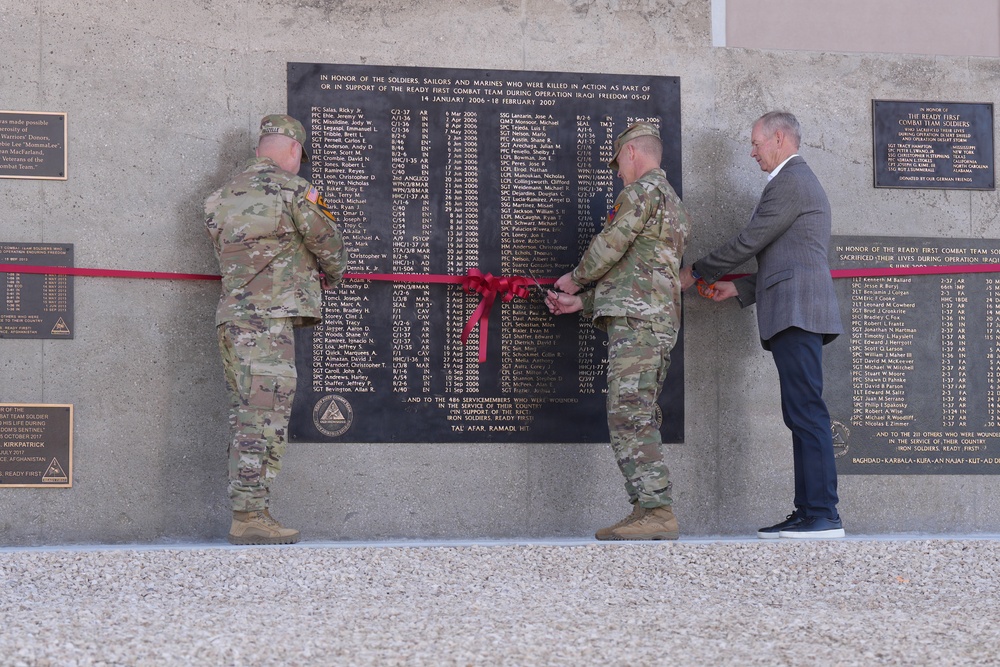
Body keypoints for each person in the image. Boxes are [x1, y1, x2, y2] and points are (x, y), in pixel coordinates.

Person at [679, 111, 845, 539]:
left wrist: (695, 272)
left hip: (797, 312)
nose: (752, 152)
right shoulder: (793, 182)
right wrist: (740, 289)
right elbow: (792, 257)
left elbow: (750, 240)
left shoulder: (791, 181)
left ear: (779, 138)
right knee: (799, 413)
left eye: (756, 143)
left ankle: (823, 514)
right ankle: (808, 511)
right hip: (793, 309)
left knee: (806, 412)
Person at [205, 114, 348, 545]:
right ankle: (249, 515)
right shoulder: (293, 190)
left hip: (233, 319)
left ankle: (252, 509)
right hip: (267, 322)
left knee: (248, 412)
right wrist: (332, 274)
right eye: (300, 157)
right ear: (293, 150)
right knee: (263, 418)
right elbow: (329, 243)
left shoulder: (219, 197)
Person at [546, 122, 690, 540]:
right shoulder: (673, 203)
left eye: (619, 164)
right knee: (634, 412)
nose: (619, 174)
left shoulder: (641, 192)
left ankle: (658, 510)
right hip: (653, 321)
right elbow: (641, 276)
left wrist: (575, 280)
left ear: (631, 153)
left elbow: (612, 244)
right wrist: (584, 304)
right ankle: (645, 507)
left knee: (629, 414)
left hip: (639, 327)